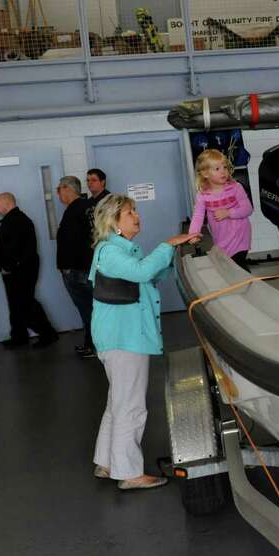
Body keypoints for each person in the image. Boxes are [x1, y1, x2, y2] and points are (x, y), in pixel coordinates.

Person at [89, 194, 199, 490]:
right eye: (129, 212)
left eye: (135, 211)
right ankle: (128, 473)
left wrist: (174, 258)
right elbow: (141, 272)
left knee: (118, 401)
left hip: (123, 337)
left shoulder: (121, 250)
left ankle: (107, 461)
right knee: (131, 405)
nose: (136, 216)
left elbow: (145, 278)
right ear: (114, 222)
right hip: (124, 339)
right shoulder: (110, 251)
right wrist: (167, 245)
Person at [0, 193, 58, 349]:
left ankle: (47, 333)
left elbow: (19, 249)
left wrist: (9, 266)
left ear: (8, 203)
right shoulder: (13, 220)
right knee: (16, 303)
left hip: (20, 271)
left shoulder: (19, 221)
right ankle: (19, 335)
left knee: (25, 302)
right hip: (15, 270)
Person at [189, 148, 255, 271]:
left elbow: (248, 209)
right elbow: (197, 216)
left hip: (240, 235)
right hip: (221, 238)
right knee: (227, 268)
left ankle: (248, 286)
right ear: (205, 174)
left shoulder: (236, 187)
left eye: (225, 167)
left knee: (238, 266)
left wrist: (229, 213)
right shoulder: (203, 195)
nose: (223, 172)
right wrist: (193, 234)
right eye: (217, 169)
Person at [56, 176, 96, 359]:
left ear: (67, 189)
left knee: (88, 310)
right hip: (85, 268)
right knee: (90, 310)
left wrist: (68, 268)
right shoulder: (87, 207)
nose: (58, 194)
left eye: (59, 189)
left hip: (78, 271)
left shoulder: (75, 211)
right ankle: (91, 343)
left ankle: (94, 346)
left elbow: (74, 243)